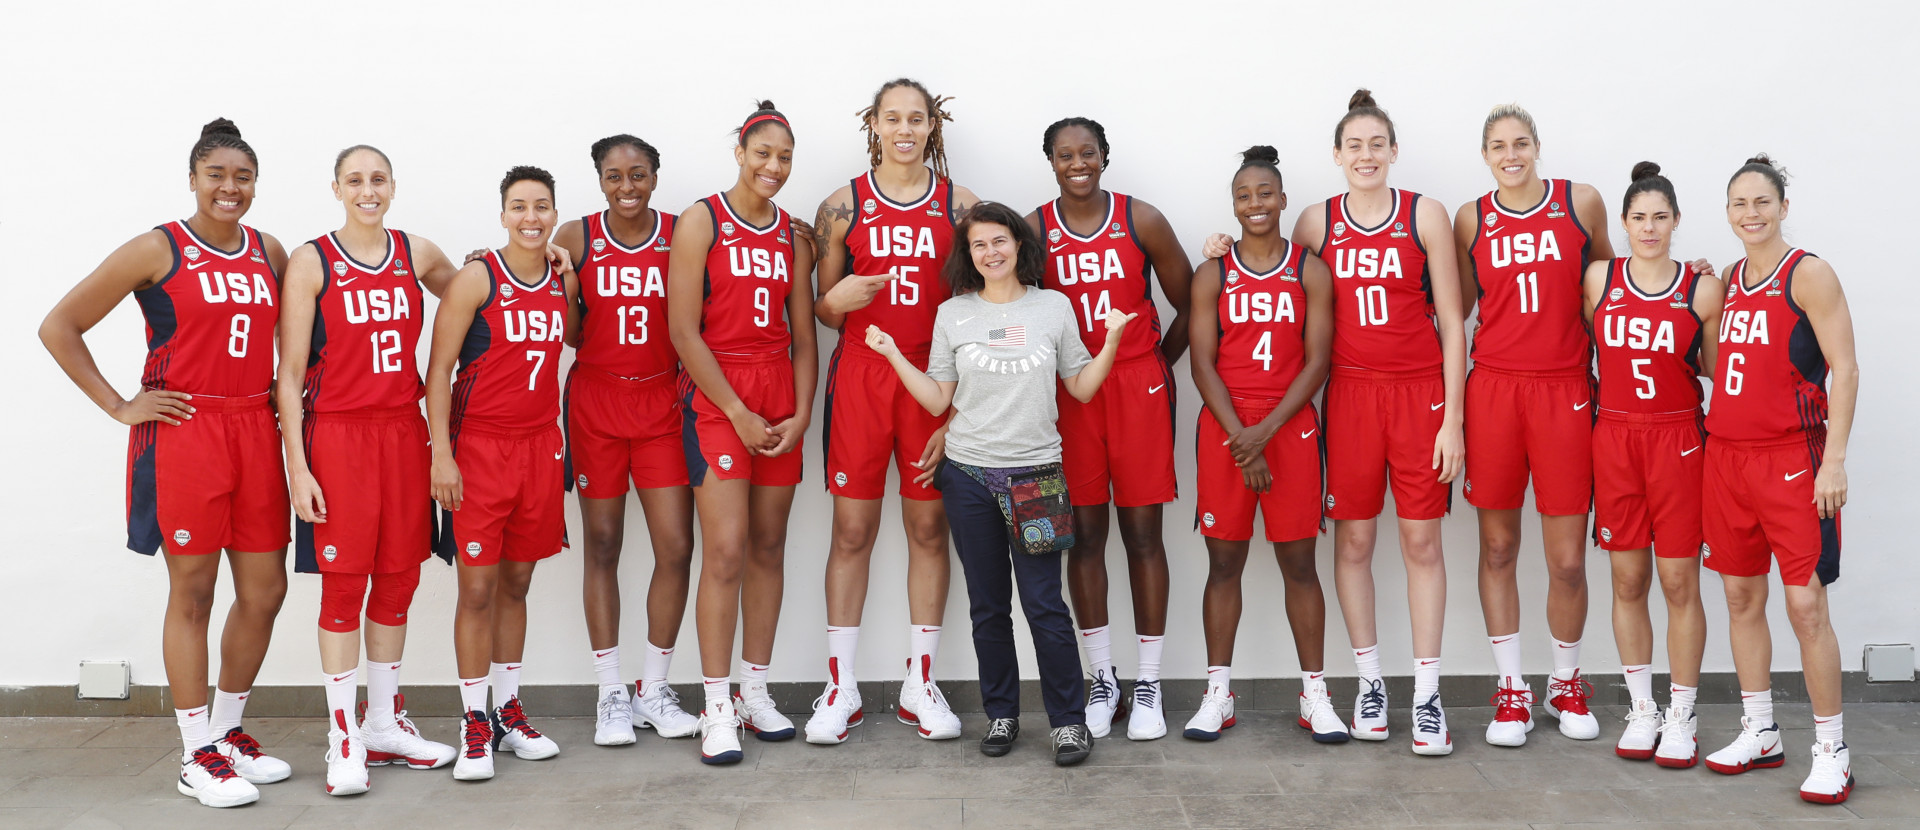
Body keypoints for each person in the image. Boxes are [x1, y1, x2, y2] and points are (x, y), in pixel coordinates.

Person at [1203, 90, 1467, 752]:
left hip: (1418, 395)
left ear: (1394, 150)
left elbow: (1456, 321)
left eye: (1377, 143)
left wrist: (1454, 419)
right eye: (1355, 145)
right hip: (1349, 397)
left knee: (1422, 544)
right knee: (1351, 544)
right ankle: (1369, 685)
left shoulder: (1425, 213)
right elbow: (1270, 279)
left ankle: (1428, 695)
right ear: (1337, 155)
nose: (1367, 155)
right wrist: (1219, 244)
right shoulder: (1315, 223)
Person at [40, 118, 292, 808]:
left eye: (242, 176)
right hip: (187, 430)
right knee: (196, 593)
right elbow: (58, 326)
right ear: (192, 178)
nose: (229, 187)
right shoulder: (159, 247)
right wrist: (121, 404)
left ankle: (228, 731)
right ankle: (194, 754)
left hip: (255, 426)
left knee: (266, 589)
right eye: (216, 174)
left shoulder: (269, 251)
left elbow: (324, 296)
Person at [866, 201, 1133, 766]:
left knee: (1044, 605)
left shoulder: (1054, 307)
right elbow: (940, 398)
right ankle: (1003, 715)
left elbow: (1081, 388)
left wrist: (1110, 342)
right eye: (978, 245)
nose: (990, 252)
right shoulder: (952, 315)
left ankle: (1067, 722)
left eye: (999, 241)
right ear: (968, 255)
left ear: (1019, 245)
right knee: (988, 607)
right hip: (967, 476)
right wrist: (891, 355)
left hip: (1036, 474)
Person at [275, 145, 462, 795]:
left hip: (402, 434)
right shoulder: (312, 261)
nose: (367, 189)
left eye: (378, 178)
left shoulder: (417, 253)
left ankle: (383, 723)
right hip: (341, 440)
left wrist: (542, 258)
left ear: (393, 186)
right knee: (343, 587)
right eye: (355, 180)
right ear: (336, 188)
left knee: (397, 579)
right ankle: (343, 737)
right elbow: (290, 375)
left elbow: (478, 291)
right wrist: (297, 466)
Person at [805, 79, 978, 744]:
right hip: (862, 376)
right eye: (892, 117)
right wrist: (836, 297)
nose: (904, 128)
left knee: (929, 530)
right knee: (852, 532)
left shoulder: (959, 205)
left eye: (917, 118)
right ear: (871, 124)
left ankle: (920, 682)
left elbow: (985, 300)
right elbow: (821, 309)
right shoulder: (841, 206)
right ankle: (840, 685)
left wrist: (961, 403)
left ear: (934, 126)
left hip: (931, 378)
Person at [1027, 117, 1194, 740]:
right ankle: (1104, 678)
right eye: (1065, 154)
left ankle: (1148, 683)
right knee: (1085, 534)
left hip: (1137, 386)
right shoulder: (1036, 228)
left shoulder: (1140, 219)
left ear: (1104, 156)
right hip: (1075, 393)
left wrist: (1155, 366)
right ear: (1049, 161)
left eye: (1088, 152)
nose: (1078, 163)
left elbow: (1192, 299)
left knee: (1144, 532)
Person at [1699, 155, 1858, 805]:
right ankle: (1761, 729)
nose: (1751, 214)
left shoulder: (1810, 274)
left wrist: (1836, 460)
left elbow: (1844, 370)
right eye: (1739, 203)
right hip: (1727, 458)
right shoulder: (1731, 279)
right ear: (1728, 211)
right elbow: (1719, 368)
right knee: (1741, 600)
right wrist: (1703, 300)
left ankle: (1831, 747)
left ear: (1783, 207)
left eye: (1762, 202)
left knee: (1805, 605)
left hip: (1794, 459)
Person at [1453, 104, 1613, 747]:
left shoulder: (1582, 203)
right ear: (1485, 155)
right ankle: (1512, 690)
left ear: (1538, 146)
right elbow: (1453, 306)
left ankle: (1566, 681)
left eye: (1521, 143)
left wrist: (1695, 284)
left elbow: (1612, 284)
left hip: (1564, 390)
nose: (1511, 154)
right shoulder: (1472, 217)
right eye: (1498, 145)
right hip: (1493, 389)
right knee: (1497, 547)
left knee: (1568, 559)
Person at [667, 101, 818, 765]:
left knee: (767, 545)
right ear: (740, 152)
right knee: (723, 551)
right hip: (719, 398)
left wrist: (803, 413)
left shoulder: (795, 236)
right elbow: (682, 331)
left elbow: (807, 339)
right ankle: (716, 704)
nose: (774, 167)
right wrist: (734, 409)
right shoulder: (703, 220)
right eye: (763, 153)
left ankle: (755, 688)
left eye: (784, 157)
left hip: (779, 394)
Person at [1182, 147, 1342, 745]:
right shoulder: (1213, 273)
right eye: (1244, 196)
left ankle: (1315, 694)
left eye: (1265, 194)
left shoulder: (1309, 270)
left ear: (1282, 199)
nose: (1256, 204)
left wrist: (1264, 434)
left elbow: (1318, 360)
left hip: (1288, 426)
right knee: (1224, 563)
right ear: (1234, 204)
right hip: (1228, 426)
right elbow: (1201, 364)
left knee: (1299, 563)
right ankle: (1217, 694)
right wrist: (1239, 439)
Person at [425, 165, 576, 781]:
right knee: (478, 590)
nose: (532, 218)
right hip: (481, 450)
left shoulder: (562, 279)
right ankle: (475, 722)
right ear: (503, 213)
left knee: (517, 586)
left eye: (542, 206)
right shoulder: (476, 279)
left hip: (541, 447)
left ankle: (510, 710)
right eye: (520, 207)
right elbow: (438, 373)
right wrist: (441, 454)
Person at [550, 134, 700, 746]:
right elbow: (569, 333)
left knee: (676, 547)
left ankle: (653, 689)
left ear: (655, 177)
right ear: (600, 180)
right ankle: (610, 690)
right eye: (614, 176)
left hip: (663, 399)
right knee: (603, 542)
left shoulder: (681, 231)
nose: (626, 187)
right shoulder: (577, 236)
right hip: (598, 400)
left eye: (638, 174)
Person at [1581, 162, 1719, 767]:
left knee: (1679, 580)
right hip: (1614, 436)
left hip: (1677, 441)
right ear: (1625, 223)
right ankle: (1642, 708)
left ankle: (1682, 711)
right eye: (1639, 217)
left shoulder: (1701, 289)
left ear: (1677, 221)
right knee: (1628, 579)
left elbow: (1716, 371)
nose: (1650, 227)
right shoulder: (1598, 278)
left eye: (1661, 217)